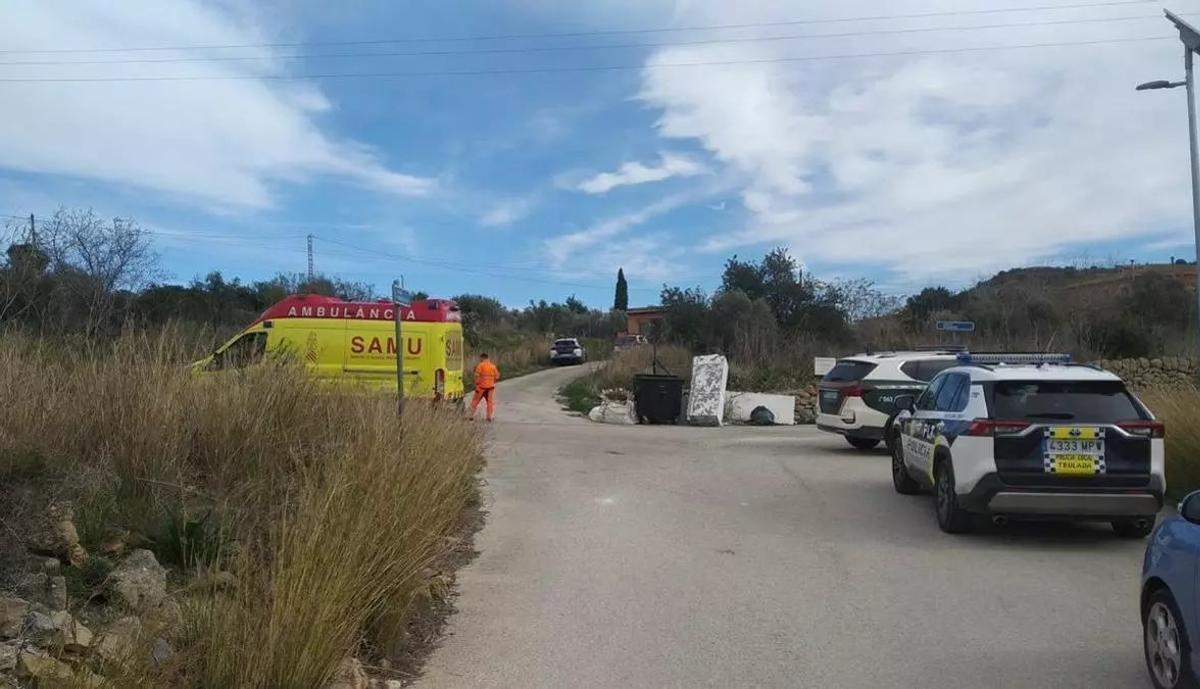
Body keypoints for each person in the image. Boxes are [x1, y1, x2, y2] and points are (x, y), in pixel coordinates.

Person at [469, 352, 500, 422]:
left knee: (475, 401)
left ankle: (470, 415)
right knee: (490, 402)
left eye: (480, 358)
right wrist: (493, 382)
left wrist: (477, 384)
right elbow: (497, 377)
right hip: (490, 388)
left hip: (481, 387)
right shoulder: (493, 366)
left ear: (482, 358)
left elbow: (476, 376)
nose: (480, 359)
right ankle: (489, 417)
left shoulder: (480, 365)